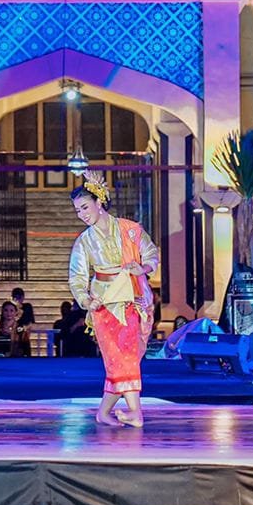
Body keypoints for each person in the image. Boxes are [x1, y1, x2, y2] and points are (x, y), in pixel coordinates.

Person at [68, 171, 160, 428]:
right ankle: (134, 412)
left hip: (133, 299)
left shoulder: (130, 230)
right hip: (104, 304)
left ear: (99, 202)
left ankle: (106, 412)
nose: (82, 214)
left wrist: (143, 268)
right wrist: (87, 301)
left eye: (85, 207)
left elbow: (151, 253)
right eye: (77, 210)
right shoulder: (85, 241)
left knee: (126, 357)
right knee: (119, 358)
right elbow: (77, 278)